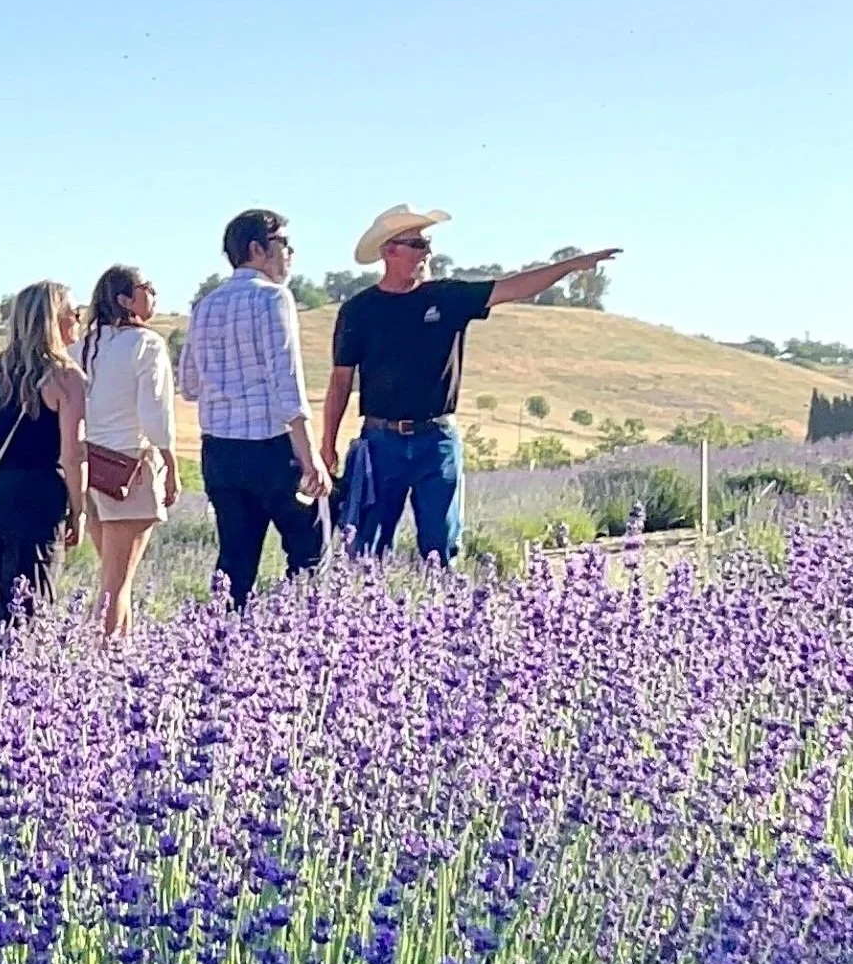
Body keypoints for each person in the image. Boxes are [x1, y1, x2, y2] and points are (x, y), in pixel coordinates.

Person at [320, 205, 619, 563]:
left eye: (427, 243)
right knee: (367, 549)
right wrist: (328, 445)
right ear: (389, 251)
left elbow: (513, 287)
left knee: (441, 547)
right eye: (416, 243)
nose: (426, 252)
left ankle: (440, 612)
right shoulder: (358, 311)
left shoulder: (447, 297)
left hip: (437, 440)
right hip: (380, 443)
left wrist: (571, 265)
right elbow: (340, 382)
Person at [178, 209, 329, 608]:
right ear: (257, 249)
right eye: (284, 244)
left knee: (235, 560)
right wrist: (310, 456)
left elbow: (190, 386)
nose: (290, 254)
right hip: (272, 447)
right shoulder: (273, 298)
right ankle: (304, 638)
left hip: (220, 451)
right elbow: (287, 383)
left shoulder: (204, 306)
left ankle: (222, 646)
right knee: (309, 552)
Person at [0, 282, 86, 645]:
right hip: (37, 497)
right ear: (56, 320)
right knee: (32, 604)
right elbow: (73, 453)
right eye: (74, 313)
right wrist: (78, 511)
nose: (79, 320)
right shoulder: (66, 377)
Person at [79, 266, 178, 640]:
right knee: (116, 585)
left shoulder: (82, 348)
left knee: (113, 577)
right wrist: (170, 463)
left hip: (91, 468)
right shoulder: (146, 344)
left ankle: (121, 656)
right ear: (125, 300)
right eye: (146, 288)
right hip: (129, 467)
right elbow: (155, 412)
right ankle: (104, 663)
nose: (153, 294)